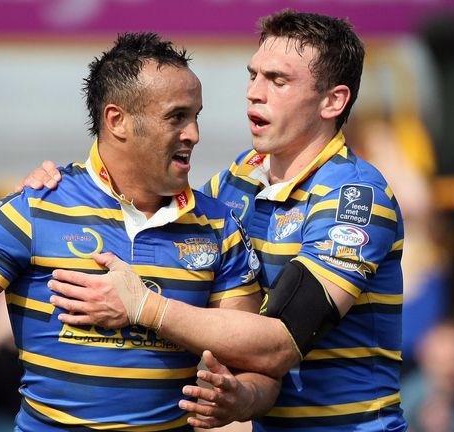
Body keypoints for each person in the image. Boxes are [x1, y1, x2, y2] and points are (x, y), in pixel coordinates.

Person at [0, 32, 271, 431]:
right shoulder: (36, 207)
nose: (194, 134)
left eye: (196, 116)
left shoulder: (220, 227)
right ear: (117, 120)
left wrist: (243, 398)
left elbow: (254, 361)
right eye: (176, 116)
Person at [25, 10, 406, 431]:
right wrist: (62, 186)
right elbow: (151, 210)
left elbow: (280, 342)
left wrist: (144, 307)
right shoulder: (240, 178)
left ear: (333, 101)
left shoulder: (354, 198)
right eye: (253, 75)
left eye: (277, 81)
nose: (254, 93)